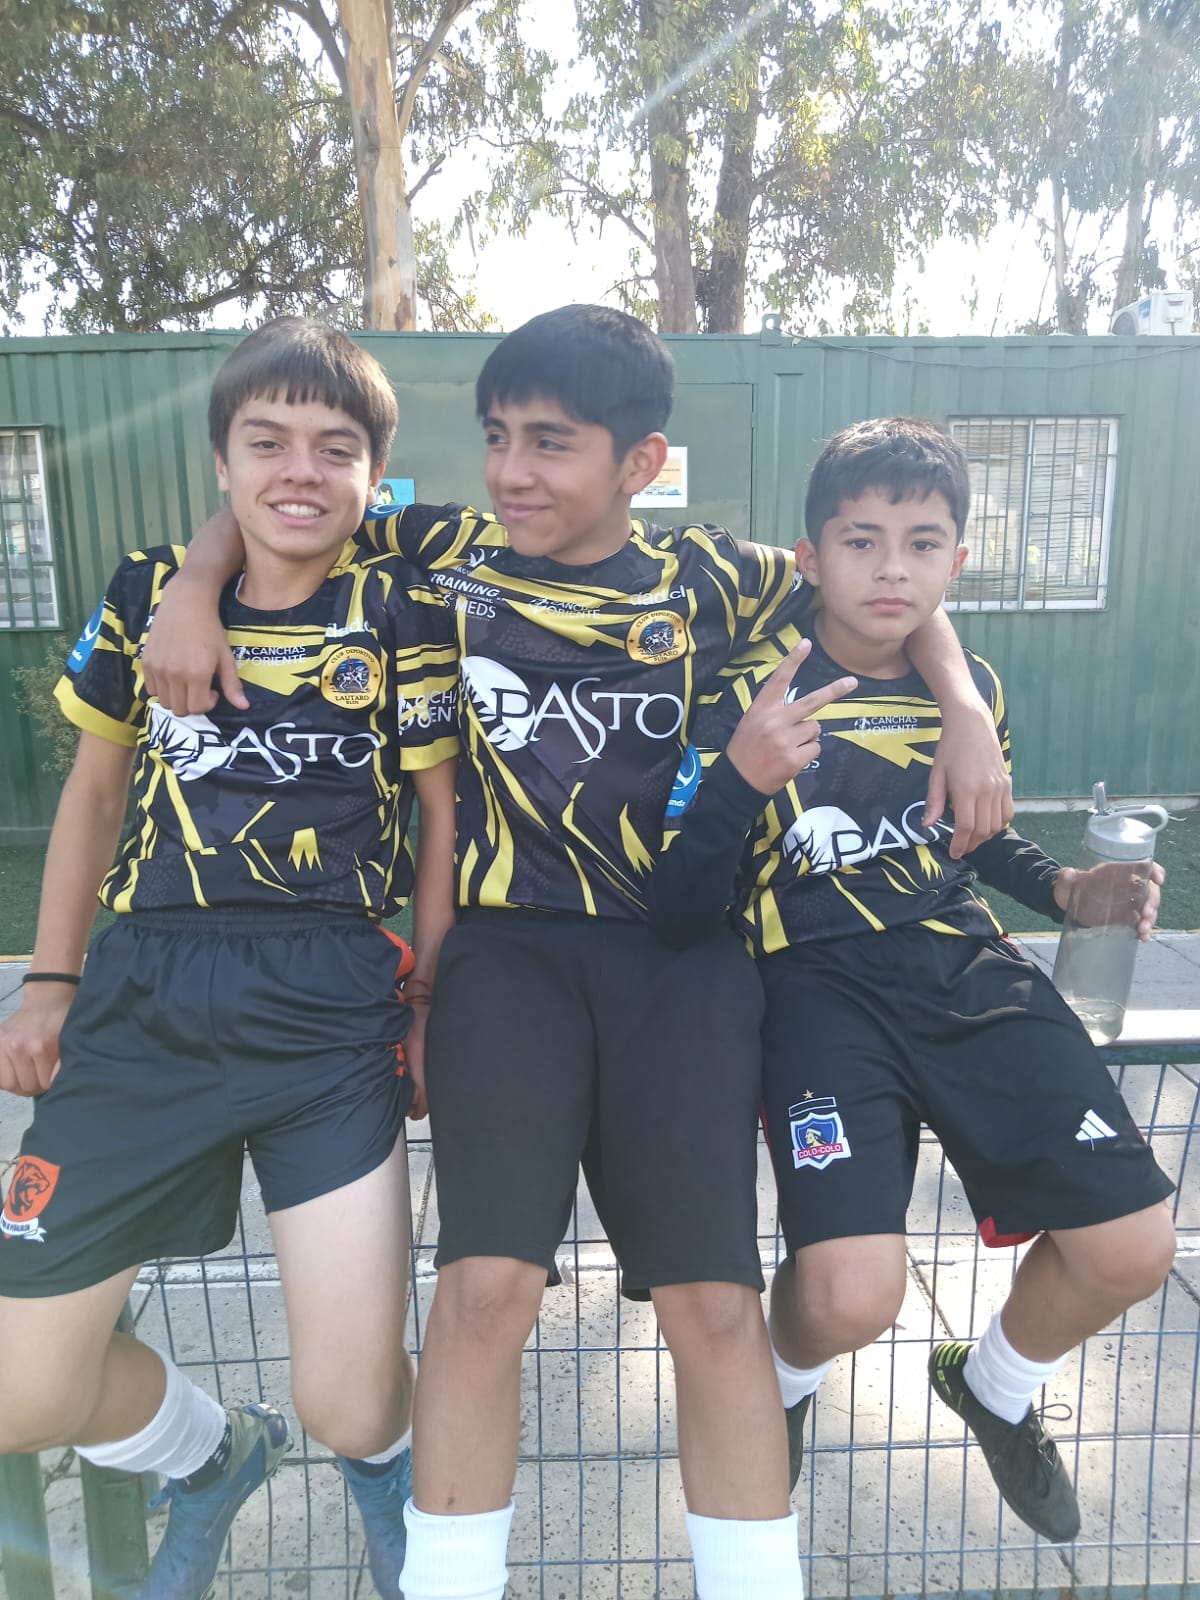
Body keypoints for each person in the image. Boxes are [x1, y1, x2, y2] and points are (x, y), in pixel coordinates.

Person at [141, 307, 1014, 1600]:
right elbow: (288, 513)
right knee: (483, 1292)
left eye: (550, 443)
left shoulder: (711, 577)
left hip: (680, 964)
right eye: (498, 437)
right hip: (507, 963)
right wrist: (191, 585)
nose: (511, 471)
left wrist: (966, 709)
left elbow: (881, 591)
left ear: (640, 463)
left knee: (714, 1307)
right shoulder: (451, 553)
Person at [647, 416, 1177, 1545]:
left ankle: (994, 1387)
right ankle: (784, 1387)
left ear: (957, 564)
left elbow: (969, 840)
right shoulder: (745, 680)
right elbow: (681, 904)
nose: (892, 569)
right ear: (810, 555)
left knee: (1135, 1248)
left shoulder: (969, 685)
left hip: (961, 967)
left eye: (923, 544)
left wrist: (1067, 888)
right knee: (849, 1297)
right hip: (811, 988)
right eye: (862, 541)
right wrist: (740, 779)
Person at [0, 319, 460, 1600]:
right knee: (16, 1389)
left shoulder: (406, 605)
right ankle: (207, 1454)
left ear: (375, 474)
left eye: (335, 446)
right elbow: (94, 797)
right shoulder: (146, 593)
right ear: (221, 460)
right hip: (143, 999)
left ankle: (383, 1476)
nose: (299, 469)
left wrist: (428, 1000)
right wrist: (51, 979)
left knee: (351, 1403)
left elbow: (442, 819)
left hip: (331, 1015)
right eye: (267, 442)